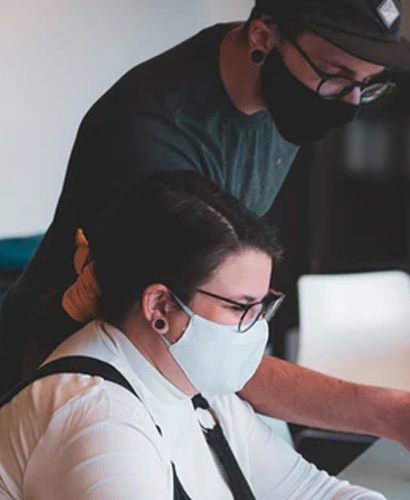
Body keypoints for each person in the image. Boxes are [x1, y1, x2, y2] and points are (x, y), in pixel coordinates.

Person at [1, 0, 410, 468]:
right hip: (65, 376)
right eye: (336, 75)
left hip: (158, 372)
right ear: (263, 35)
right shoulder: (155, 133)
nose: (349, 102)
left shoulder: (278, 101)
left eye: (367, 85)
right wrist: (394, 414)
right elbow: (204, 347)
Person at [0, 171, 386, 500]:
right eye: (239, 307)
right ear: (160, 307)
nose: (257, 326)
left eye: (262, 306)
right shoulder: (99, 418)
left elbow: (311, 493)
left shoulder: (195, 386)